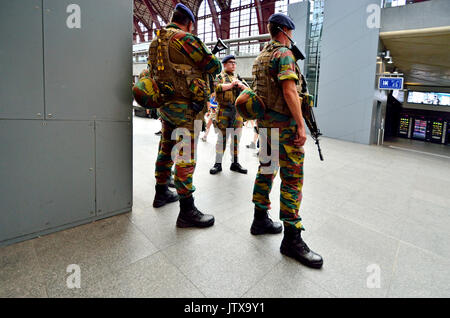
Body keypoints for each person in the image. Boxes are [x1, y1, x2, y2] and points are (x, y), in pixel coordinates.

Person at [250, 13, 323, 268]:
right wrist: (301, 125)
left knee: (266, 171)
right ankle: (292, 239)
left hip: (266, 128)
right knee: (292, 179)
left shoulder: (261, 57)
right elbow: (290, 90)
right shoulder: (283, 54)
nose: (292, 37)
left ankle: (259, 219)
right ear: (284, 30)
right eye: (291, 32)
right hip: (285, 129)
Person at [148, 3, 222, 228]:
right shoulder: (186, 39)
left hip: (166, 106)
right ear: (189, 23)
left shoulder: (156, 42)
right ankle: (187, 210)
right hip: (186, 109)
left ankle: (161, 192)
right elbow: (215, 65)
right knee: (185, 156)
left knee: (166, 149)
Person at [209, 55, 248, 175]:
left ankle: (235, 163)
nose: (233, 65)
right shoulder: (219, 77)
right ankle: (218, 164)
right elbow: (215, 87)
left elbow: (248, 90)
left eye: (235, 63)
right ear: (224, 64)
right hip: (224, 111)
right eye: (231, 62)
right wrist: (231, 85)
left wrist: (241, 85)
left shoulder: (238, 77)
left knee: (236, 139)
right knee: (222, 138)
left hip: (237, 113)